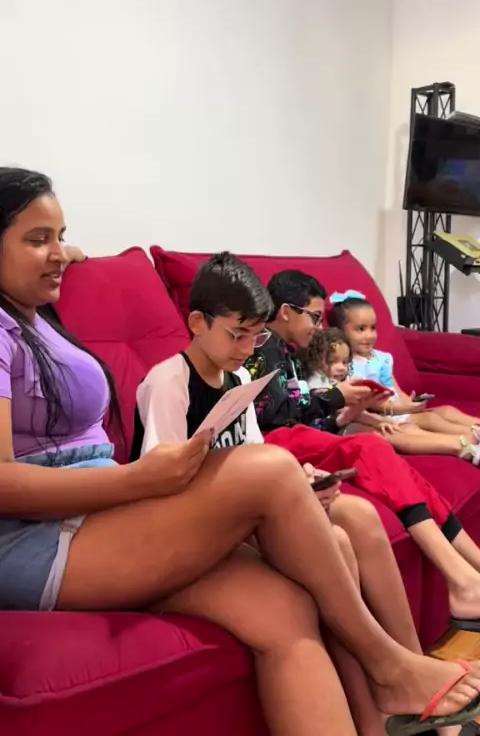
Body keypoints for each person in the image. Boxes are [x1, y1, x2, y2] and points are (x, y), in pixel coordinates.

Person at [0, 176, 479, 736]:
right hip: (37, 540)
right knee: (270, 471)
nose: (59, 253)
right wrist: (137, 481)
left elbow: (57, 255)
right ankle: (389, 666)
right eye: (38, 239)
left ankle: (382, 697)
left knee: (285, 610)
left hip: (98, 514)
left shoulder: (33, 313)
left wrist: (62, 249)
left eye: (61, 236)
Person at [134, 252, 467, 736]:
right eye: (236, 334)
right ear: (198, 322)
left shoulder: (239, 378)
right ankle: (386, 701)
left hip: (243, 508)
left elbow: (252, 455)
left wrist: (302, 481)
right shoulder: (169, 381)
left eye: (255, 336)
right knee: (337, 544)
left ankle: (409, 673)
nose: (246, 348)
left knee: (358, 517)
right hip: (195, 523)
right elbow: (160, 480)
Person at [245, 268, 480, 632]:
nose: (319, 326)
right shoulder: (262, 346)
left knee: (405, 472)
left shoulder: (290, 352)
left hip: (302, 434)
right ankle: (460, 579)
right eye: (314, 317)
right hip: (275, 443)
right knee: (371, 447)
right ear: (287, 312)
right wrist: (336, 397)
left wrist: (349, 409)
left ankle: (472, 569)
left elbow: (305, 412)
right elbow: (274, 414)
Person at [328, 291, 480, 462]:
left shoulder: (381, 358)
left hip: (398, 409)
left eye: (373, 328)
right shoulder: (346, 366)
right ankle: (467, 440)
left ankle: (475, 430)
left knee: (445, 411)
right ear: (340, 332)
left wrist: (410, 402)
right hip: (382, 415)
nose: (369, 335)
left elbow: (395, 388)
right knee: (417, 426)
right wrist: (403, 409)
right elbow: (371, 403)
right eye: (361, 329)